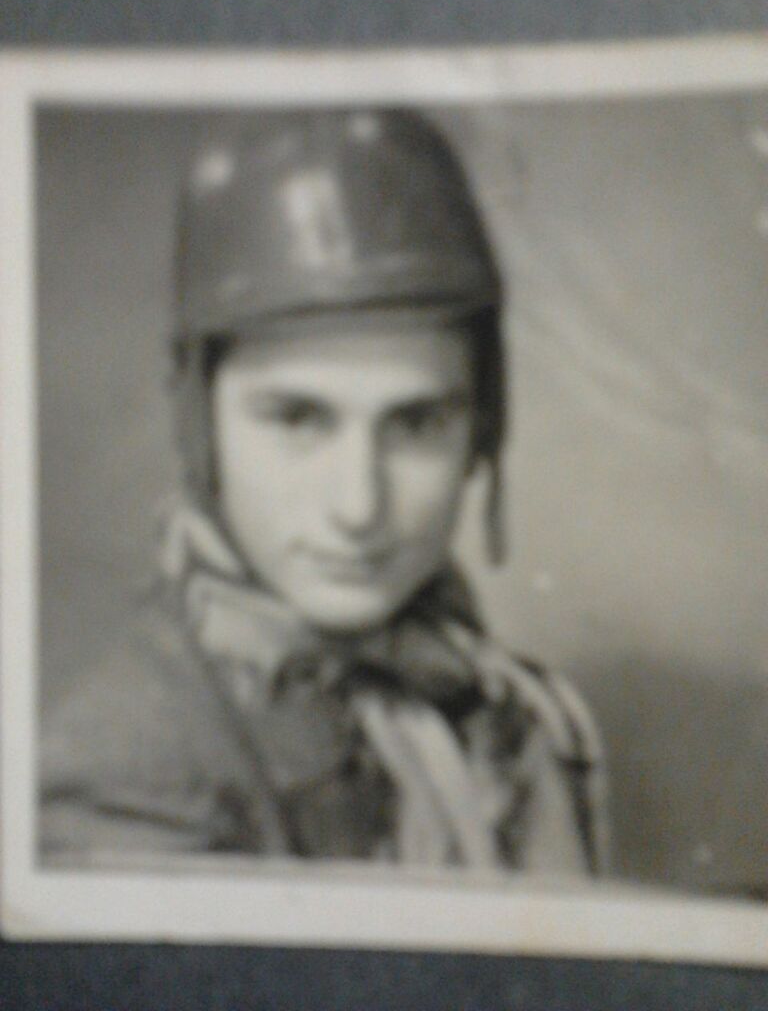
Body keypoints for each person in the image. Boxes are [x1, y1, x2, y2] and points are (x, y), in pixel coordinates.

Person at [40, 109, 608, 873]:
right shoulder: (122, 775)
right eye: (297, 418)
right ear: (199, 424)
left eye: (416, 423)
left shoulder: (514, 713)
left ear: (482, 428)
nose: (358, 508)